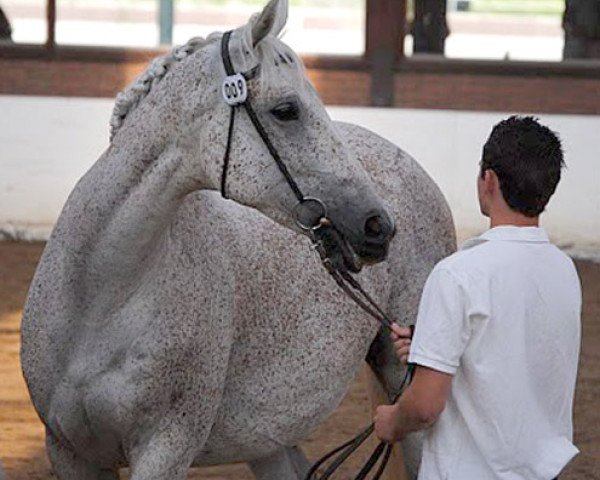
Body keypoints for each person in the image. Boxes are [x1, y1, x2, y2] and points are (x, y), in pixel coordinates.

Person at [374, 116, 581, 480]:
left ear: (488, 179)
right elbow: (510, 353)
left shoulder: (456, 274)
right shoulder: (564, 269)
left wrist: (392, 421)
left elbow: (423, 407)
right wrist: (431, 346)